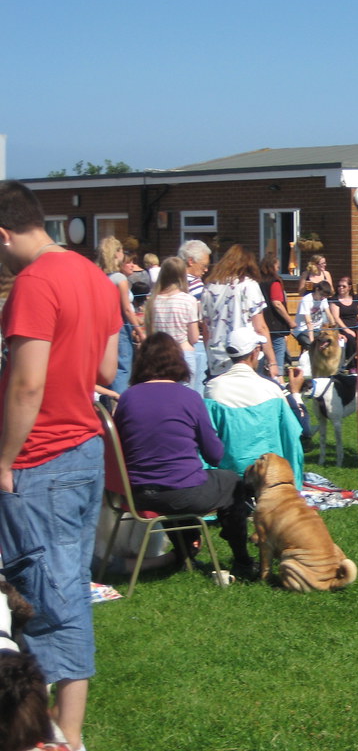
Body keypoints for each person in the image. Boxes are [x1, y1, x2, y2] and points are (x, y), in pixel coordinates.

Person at [0, 180, 121, 751]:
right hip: (84, 450)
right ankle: (66, 731)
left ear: (3, 234)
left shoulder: (34, 282)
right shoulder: (94, 276)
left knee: (44, 601)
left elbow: (27, 383)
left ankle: (52, 736)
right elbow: (104, 369)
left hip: (39, 458)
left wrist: (3, 458)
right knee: (68, 589)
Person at [114, 333, 255, 576]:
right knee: (230, 482)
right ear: (178, 362)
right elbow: (215, 455)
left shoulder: (127, 398)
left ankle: (185, 550)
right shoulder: (189, 397)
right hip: (181, 493)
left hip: (137, 494)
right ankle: (242, 560)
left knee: (172, 486)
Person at [204, 329, 305, 486]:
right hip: (269, 476)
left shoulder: (212, 389)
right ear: (255, 352)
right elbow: (292, 437)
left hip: (227, 477)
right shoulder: (271, 389)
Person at [201, 244, 277, 379]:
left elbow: (206, 328)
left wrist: (209, 355)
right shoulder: (248, 286)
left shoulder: (209, 287)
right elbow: (260, 327)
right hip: (244, 353)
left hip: (217, 356)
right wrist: (272, 361)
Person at [144, 256, 201, 393]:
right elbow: (193, 337)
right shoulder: (189, 300)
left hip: (157, 354)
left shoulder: (152, 301)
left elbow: (149, 333)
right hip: (183, 353)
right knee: (185, 396)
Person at [96, 235, 144, 396]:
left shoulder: (98, 276)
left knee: (105, 369)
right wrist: (139, 330)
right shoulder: (119, 279)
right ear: (117, 253)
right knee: (122, 368)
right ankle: (119, 404)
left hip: (100, 327)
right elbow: (127, 309)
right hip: (120, 328)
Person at [178, 239, 212, 387]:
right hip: (194, 344)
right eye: (204, 266)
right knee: (195, 393)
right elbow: (202, 318)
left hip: (170, 344)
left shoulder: (169, 282)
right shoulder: (197, 285)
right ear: (191, 261)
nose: (206, 270)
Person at [257, 252, 297, 373]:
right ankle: (278, 377)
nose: (278, 268)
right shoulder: (274, 282)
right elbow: (277, 303)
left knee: (261, 354)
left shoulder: (257, 281)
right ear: (272, 266)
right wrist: (290, 321)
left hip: (261, 322)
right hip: (275, 324)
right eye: (277, 266)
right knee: (278, 352)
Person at [328, 275, 358, 362]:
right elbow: (336, 317)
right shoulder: (334, 300)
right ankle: (352, 364)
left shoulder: (355, 299)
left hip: (355, 326)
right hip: (342, 328)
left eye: (343, 286)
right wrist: (347, 330)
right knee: (351, 339)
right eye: (339, 286)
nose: (340, 288)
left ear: (349, 287)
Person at [293, 281, 335, 350]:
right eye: (322, 295)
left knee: (332, 342)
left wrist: (334, 328)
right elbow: (308, 323)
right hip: (303, 330)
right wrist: (312, 342)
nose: (323, 298)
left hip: (318, 330)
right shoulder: (306, 300)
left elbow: (329, 314)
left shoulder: (323, 299)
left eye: (325, 296)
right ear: (317, 289)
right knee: (313, 347)